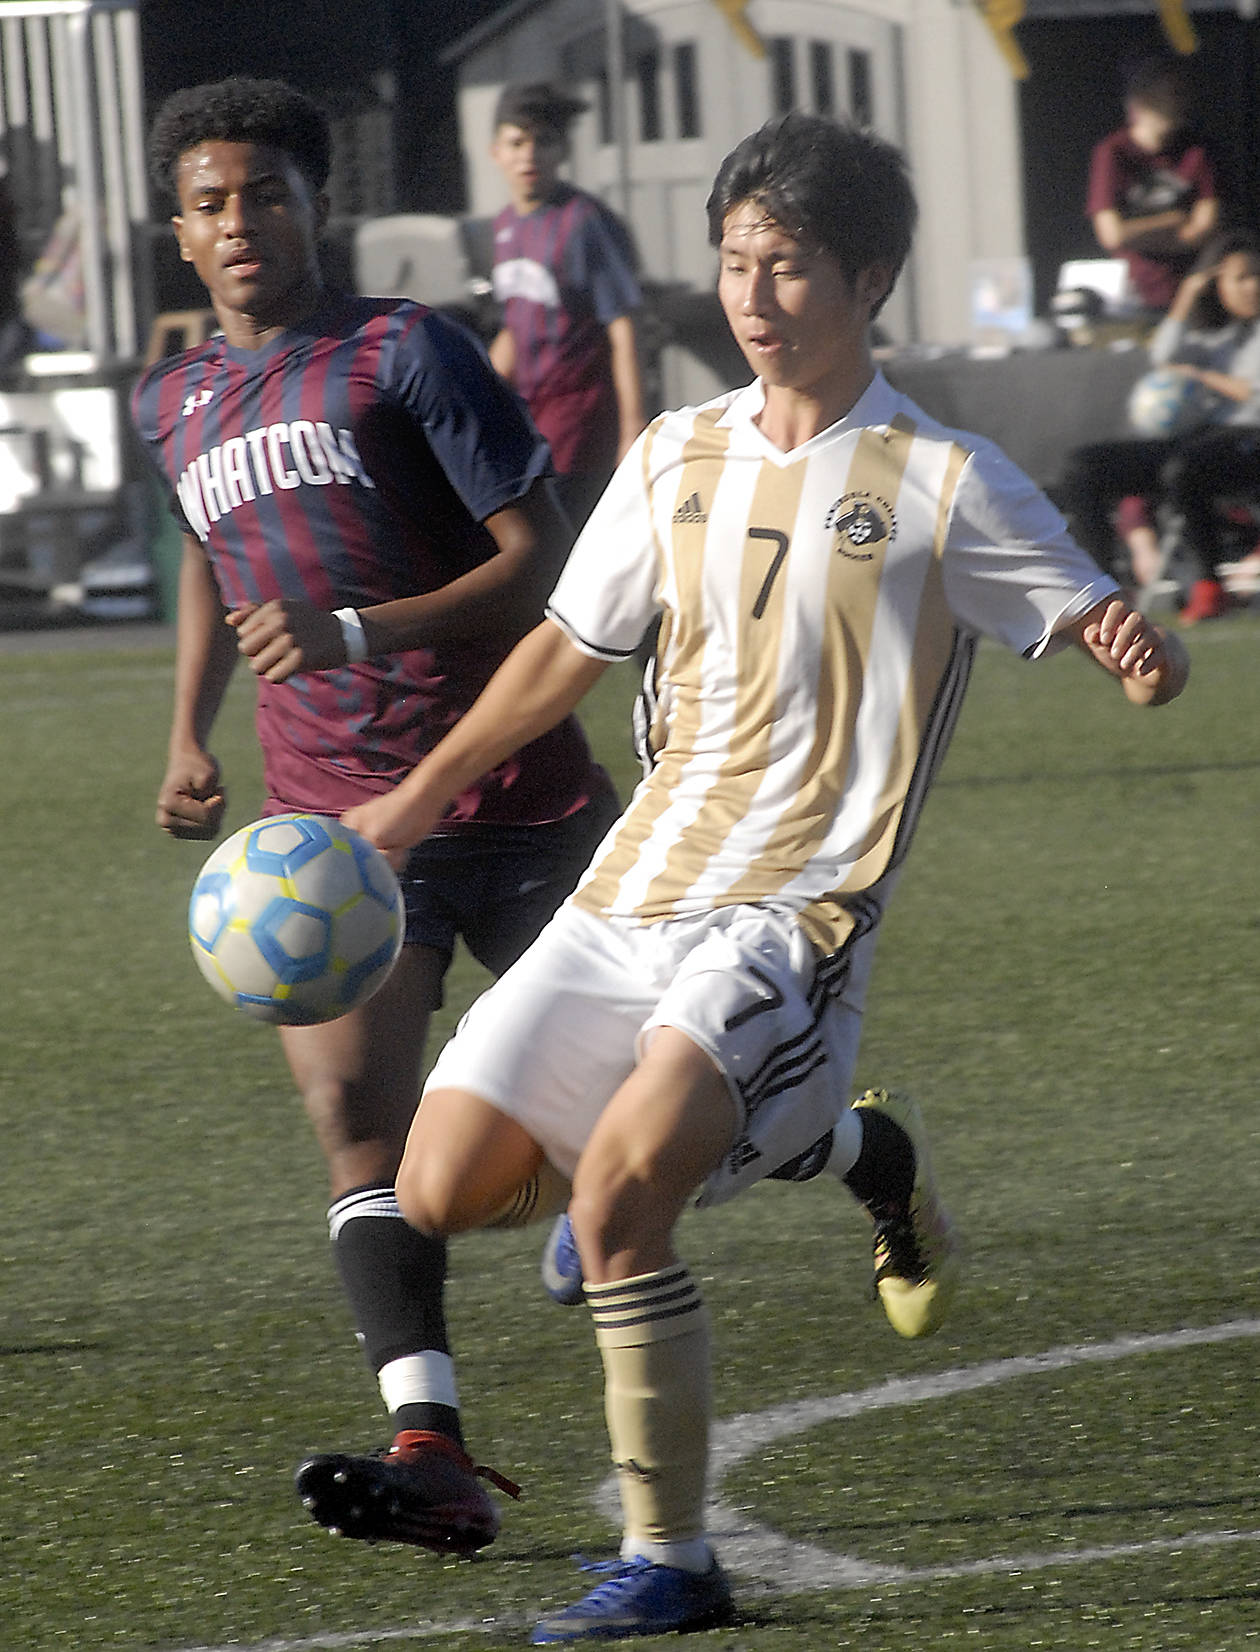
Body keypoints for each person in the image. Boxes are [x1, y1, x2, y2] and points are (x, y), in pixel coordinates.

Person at [339, 113, 1189, 1641]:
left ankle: (671, 1564)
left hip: (795, 913)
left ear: (868, 278)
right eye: (736, 262)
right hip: (630, 894)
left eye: (787, 264)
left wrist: (1138, 648)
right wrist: (408, 802)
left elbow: (1111, 630)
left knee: (618, 1205)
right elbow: (562, 655)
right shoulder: (675, 452)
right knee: (438, 1186)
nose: (753, 294)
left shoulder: (945, 479)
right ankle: (854, 1147)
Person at [131, 75, 622, 1559]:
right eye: (211, 203)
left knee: (664, 1114)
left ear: (314, 205)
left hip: (518, 796)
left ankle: (856, 1152)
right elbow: (213, 557)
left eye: (265, 194)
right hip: (332, 844)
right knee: (358, 1125)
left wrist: (356, 630)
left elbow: (542, 563)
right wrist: (187, 732)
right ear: (177, 230)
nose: (240, 222)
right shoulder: (170, 401)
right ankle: (432, 1450)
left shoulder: (406, 350)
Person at [1060, 227, 1260, 623]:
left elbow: (1252, 393)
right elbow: (1162, 356)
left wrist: (1202, 377)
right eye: (1240, 278)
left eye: (1256, 275)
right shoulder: (1218, 340)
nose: (1252, 286)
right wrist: (1187, 296)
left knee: (1185, 468)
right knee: (1083, 466)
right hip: (1202, 439)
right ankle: (1102, 588)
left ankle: (1208, 585)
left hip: (1248, 440)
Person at [488, 82, 645, 526]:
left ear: (563, 150)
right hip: (530, 418)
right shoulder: (504, 227)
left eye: (543, 142)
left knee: (567, 537)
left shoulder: (585, 222)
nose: (529, 155)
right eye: (517, 142)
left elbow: (624, 328)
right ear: (495, 151)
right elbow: (514, 328)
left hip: (581, 419)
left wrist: (633, 428)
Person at [1086, 54, 1219, 319]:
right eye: (1163, 96)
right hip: (1134, 295)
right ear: (1138, 104)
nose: (1173, 104)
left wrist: (1135, 232)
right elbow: (1111, 235)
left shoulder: (1196, 151)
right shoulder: (1113, 152)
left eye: (1177, 95)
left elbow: (1204, 229)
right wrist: (1174, 220)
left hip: (1189, 294)